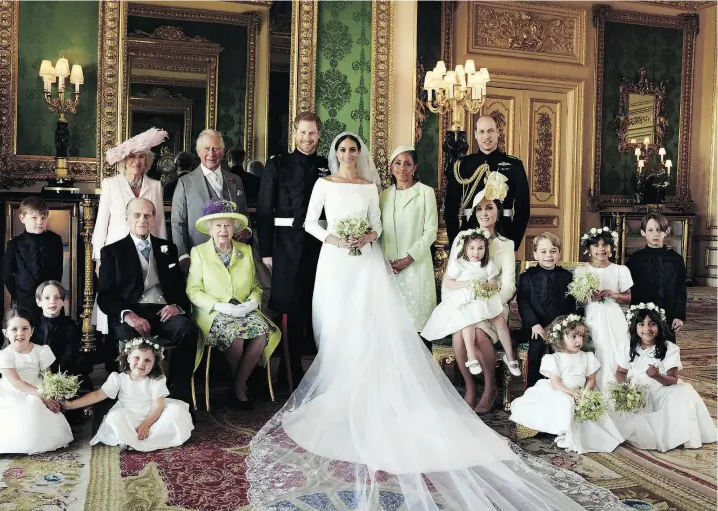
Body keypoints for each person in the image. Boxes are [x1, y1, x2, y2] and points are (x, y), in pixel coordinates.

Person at [246, 131, 623, 510]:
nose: (347, 154)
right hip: (338, 262)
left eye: (353, 150)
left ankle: (389, 385)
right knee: (338, 321)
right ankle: (344, 380)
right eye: (342, 150)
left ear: (360, 154)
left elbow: (380, 225)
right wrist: (341, 241)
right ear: (336, 153)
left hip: (374, 264)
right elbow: (312, 223)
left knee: (376, 323)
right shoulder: (327, 183)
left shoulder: (372, 187)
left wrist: (369, 238)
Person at [97, 197, 198, 406]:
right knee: (125, 334)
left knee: (187, 329)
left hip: (163, 313)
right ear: (127, 218)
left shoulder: (168, 248)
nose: (142, 220)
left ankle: (179, 395)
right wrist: (128, 316)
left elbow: (179, 288)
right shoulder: (111, 251)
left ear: (153, 220)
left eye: (147, 215)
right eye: (137, 215)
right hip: (132, 314)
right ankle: (131, 399)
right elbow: (105, 296)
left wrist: (177, 306)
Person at [257, 112, 329, 388]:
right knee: (290, 306)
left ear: (319, 135)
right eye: (302, 133)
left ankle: (317, 368)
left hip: (318, 245)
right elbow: (264, 209)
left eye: (312, 133)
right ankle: (290, 370)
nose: (307, 138)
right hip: (285, 244)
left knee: (316, 304)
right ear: (294, 133)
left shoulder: (326, 165)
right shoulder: (278, 165)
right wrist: (266, 251)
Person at [186, 200, 281, 408]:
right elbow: (193, 291)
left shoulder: (245, 250)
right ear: (210, 229)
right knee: (235, 337)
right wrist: (219, 306)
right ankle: (239, 386)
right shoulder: (199, 252)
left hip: (244, 308)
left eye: (228, 225)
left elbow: (257, 286)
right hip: (213, 311)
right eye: (218, 225)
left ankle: (236, 383)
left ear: (235, 228)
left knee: (262, 332)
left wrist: (251, 304)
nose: (223, 230)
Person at [447, 180, 517, 412]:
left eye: (489, 208)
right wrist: (460, 300)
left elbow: (508, 285)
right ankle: (470, 387)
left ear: (498, 211)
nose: (484, 213)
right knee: (459, 336)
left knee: (478, 334)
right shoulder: (462, 239)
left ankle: (489, 388)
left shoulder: (506, 245)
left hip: (493, 304)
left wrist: (489, 302)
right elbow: (451, 278)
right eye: (479, 208)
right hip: (465, 301)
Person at [509, 314, 624, 454]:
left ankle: (587, 433)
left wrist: (586, 392)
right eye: (574, 337)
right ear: (560, 339)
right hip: (561, 391)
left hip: (580, 391)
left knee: (597, 406)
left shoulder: (586, 357)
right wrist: (572, 393)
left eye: (581, 336)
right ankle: (563, 431)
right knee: (566, 402)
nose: (579, 341)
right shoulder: (554, 359)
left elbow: (591, 378)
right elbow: (556, 383)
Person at [93, 128, 168, 335]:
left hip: (147, 250)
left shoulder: (155, 186)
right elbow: (101, 224)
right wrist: (99, 258)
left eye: (142, 157)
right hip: (115, 253)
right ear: (124, 161)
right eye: (133, 156)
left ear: (148, 161)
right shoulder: (110, 184)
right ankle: (116, 344)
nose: (137, 161)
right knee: (115, 296)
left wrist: (162, 255)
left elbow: (159, 223)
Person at [612, 304, 716, 452]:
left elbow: (673, 379)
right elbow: (620, 372)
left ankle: (683, 435)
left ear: (659, 326)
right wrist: (626, 389)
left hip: (661, 388)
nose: (647, 329)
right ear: (635, 327)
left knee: (685, 392)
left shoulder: (669, 348)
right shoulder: (628, 347)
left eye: (652, 324)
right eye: (641, 324)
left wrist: (657, 376)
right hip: (638, 390)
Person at [63, 338, 193, 451]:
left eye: (147, 360)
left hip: (153, 416)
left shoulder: (157, 379)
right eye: (137, 358)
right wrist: (70, 405)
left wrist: (146, 424)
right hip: (129, 416)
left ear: (154, 364)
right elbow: (97, 395)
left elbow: (157, 407)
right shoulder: (119, 378)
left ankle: (141, 438)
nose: (141, 363)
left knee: (177, 412)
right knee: (115, 417)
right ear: (128, 357)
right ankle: (132, 438)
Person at [421, 228, 520, 378]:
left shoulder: (488, 265)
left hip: (482, 298)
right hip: (463, 299)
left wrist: (483, 287)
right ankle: (471, 358)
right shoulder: (459, 263)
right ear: (465, 248)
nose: (476, 252)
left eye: (480, 248)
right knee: (467, 320)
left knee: (500, 320)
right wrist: (467, 284)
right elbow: (448, 282)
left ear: (485, 249)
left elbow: (493, 284)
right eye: (472, 248)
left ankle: (510, 356)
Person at [0, 308, 73, 455]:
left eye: (25, 328)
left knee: (35, 407)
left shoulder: (41, 351)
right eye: (14, 329)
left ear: (32, 331)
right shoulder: (5, 355)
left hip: (38, 390)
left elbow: (48, 378)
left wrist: (51, 395)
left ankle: (36, 437)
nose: (20, 333)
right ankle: (14, 440)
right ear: (5, 333)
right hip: (11, 393)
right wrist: (41, 394)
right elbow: (17, 382)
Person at [379, 146, 437, 347]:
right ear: (391, 166)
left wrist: (408, 259)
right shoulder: (383, 196)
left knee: (417, 327)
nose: (402, 168)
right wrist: (385, 262)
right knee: (392, 326)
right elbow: (378, 231)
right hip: (389, 268)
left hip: (416, 266)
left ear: (415, 168)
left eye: (407, 163)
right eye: (397, 163)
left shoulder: (425, 193)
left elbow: (430, 232)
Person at [171, 129, 251, 276]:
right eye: (207, 149)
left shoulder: (236, 180)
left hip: (233, 257)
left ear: (223, 151)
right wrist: (183, 256)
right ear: (198, 151)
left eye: (216, 149)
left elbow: (243, 212)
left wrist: (247, 230)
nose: (211, 154)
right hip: (199, 257)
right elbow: (178, 223)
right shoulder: (185, 183)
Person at [444, 115, 530, 249]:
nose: (486, 136)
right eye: (482, 132)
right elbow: (450, 207)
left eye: (490, 131)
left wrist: (514, 243)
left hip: (504, 233)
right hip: (469, 233)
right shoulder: (463, 165)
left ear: (497, 133)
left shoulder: (514, 165)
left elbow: (523, 208)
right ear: (476, 135)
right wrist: (456, 241)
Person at [516, 232, 578, 388]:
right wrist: (533, 324)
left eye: (553, 251)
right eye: (543, 252)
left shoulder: (566, 277)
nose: (548, 255)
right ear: (535, 254)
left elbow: (570, 304)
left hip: (560, 325)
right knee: (537, 346)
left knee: (562, 347)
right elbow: (523, 302)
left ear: (559, 253)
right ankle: (534, 388)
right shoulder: (526, 277)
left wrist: (566, 326)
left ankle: (563, 387)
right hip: (536, 326)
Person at [575, 227, 632, 391]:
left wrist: (615, 295)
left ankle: (617, 385)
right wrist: (589, 297)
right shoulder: (582, 271)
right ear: (588, 249)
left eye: (605, 245)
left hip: (613, 314)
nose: (601, 249)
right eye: (596, 245)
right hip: (592, 314)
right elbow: (578, 300)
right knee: (597, 346)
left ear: (611, 248)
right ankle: (593, 386)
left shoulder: (620, 270)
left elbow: (628, 297)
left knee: (615, 347)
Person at [1, 197, 63, 319]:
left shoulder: (55, 240)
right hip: (26, 299)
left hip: (50, 299)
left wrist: (54, 294)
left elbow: (58, 269)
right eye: (34, 218)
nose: (39, 222)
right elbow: (6, 273)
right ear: (22, 218)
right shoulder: (15, 243)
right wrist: (18, 294)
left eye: (43, 218)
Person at [626, 213, 687, 335]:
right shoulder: (634, 260)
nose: (655, 234)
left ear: (667, 231)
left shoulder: (676, 259)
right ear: (643, 232)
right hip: (641, 317)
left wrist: (679, 316)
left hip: (668, 316)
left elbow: (681, 289)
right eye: (650, 230)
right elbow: (627, 289)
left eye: (659, 230)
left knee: (666, 349)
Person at [32, 280, 93, 392]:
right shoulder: (33, 327)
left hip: (65, 374)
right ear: (38, 301)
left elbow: (71, 355)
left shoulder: (71, 326)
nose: (52, 302)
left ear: (63, 301)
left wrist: (59, 377)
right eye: (47, 298)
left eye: (57, 298)